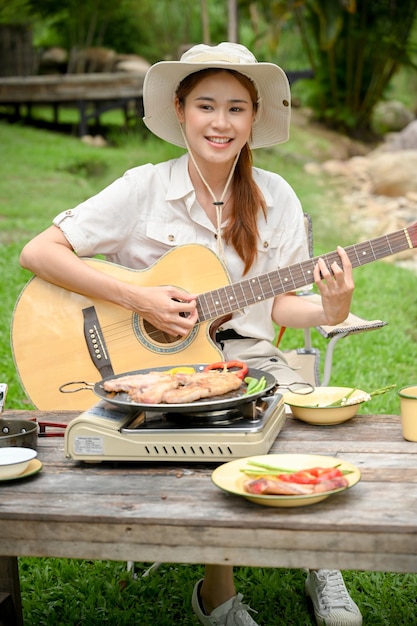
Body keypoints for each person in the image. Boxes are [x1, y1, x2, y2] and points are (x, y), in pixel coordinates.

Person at [20, 42, 361, 626]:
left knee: (296, 413)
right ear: (180, 111)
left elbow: (281, 305)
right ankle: (217, 597)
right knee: (208, 429)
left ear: (253, 118)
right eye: (206, 105)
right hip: (150, 367)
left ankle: (320, 564)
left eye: (236, 108)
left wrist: (331, 309)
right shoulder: (143, 188)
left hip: (246, 357)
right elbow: (38, 251)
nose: (220, 122)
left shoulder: (276, 196)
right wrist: (137, 297)